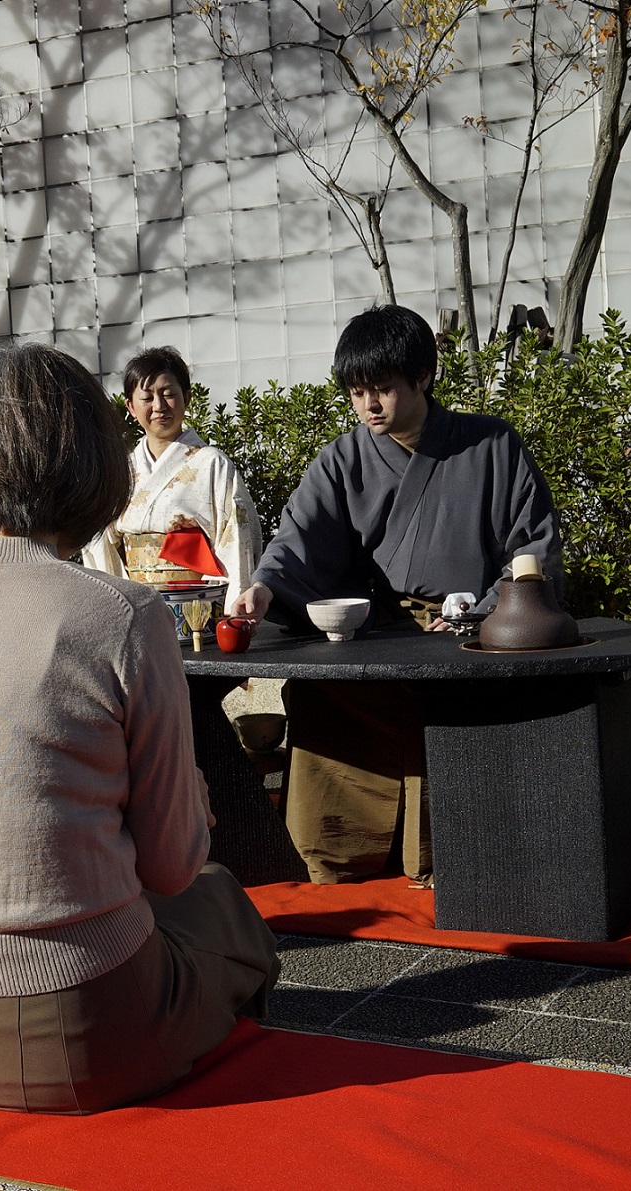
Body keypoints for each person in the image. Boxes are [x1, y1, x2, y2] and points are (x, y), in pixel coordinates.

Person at [0, 343, 278, 1114]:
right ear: (92, 461)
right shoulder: (124, 614)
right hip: (89, 1025)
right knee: (221, 901)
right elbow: (175, 865)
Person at [228, 305, 562, 885]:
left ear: (424, 377)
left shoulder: (491, 445)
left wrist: (484, 613)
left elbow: (531, 548)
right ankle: (339, 852)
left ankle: (450, 850)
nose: (369, 406)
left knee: (456, 697)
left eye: (382, 389)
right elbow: (298, 538)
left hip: (468, 630)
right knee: (323, 692)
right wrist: (262, 589)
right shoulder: (342, 459)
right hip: (377, 633)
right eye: (357, 393)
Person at [82, 346, 260, 611]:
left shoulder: (212, 463)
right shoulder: (121, 469)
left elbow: (238, 536)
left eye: (168, 394)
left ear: (187, 398)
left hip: (198, 604)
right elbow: (99, 541)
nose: (159, 406)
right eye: (147, 397)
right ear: (130, 406)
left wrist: (233, 605)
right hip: (136, 603)